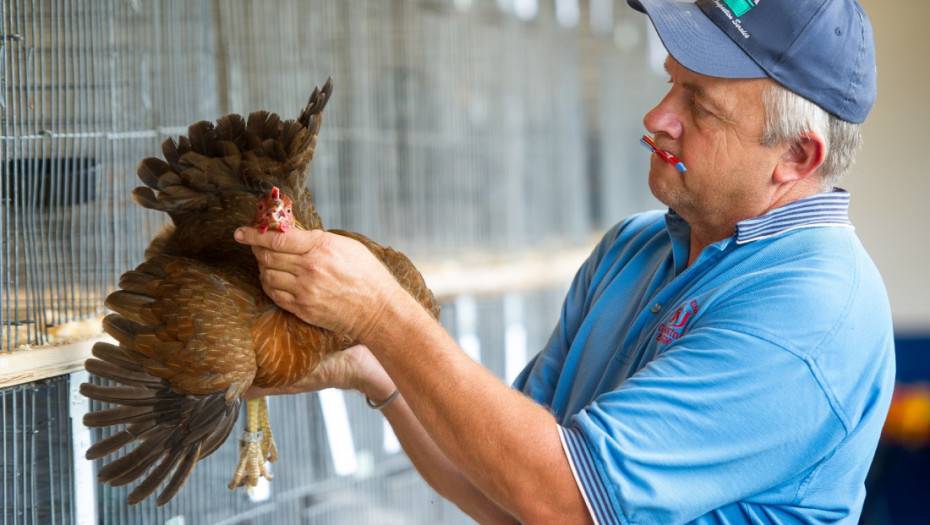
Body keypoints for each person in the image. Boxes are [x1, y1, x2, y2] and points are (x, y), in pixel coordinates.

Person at [235, 0, 895, 522]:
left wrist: (382, 311)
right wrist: (371, 364)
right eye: (673, 84)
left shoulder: (812, 310)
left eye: (701, 107)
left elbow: (564, 500)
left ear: (796, 157)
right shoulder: (633, 249)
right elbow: (504, 483)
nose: (658, 116)